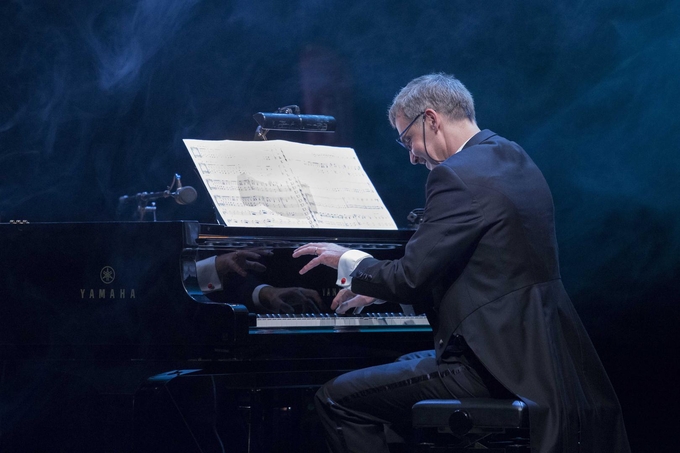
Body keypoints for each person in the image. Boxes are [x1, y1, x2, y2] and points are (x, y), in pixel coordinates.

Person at [292, 73, 630, 452]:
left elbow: (408, 277)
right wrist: (379, 291)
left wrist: (352, 262)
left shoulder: (455, 175)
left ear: (431, 119)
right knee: (403, 367)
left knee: (337, 398)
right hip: (538, 358)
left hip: (492, 366)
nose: (411, 155)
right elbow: (484, 267)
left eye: (408, 139)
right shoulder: (511, 156)